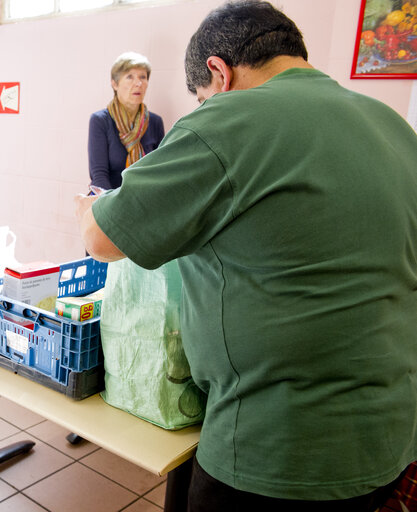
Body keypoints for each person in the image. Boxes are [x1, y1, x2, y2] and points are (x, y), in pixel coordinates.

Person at [75, 1, 417, 511]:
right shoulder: (392, 127)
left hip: (274, 452)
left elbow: (101, 239)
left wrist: (90, 207)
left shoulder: (230, 118)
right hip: (390, 439)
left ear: (219, 71)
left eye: (201, 98)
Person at [88, 52, 165, 192]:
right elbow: (98, 175)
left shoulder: (155, 122)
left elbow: (160, 172)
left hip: (145, 200)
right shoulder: (100, 121)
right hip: (108, 201)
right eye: (130, 77)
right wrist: (119, 206)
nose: (138, 83)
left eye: (143, 77)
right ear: (115, 84)